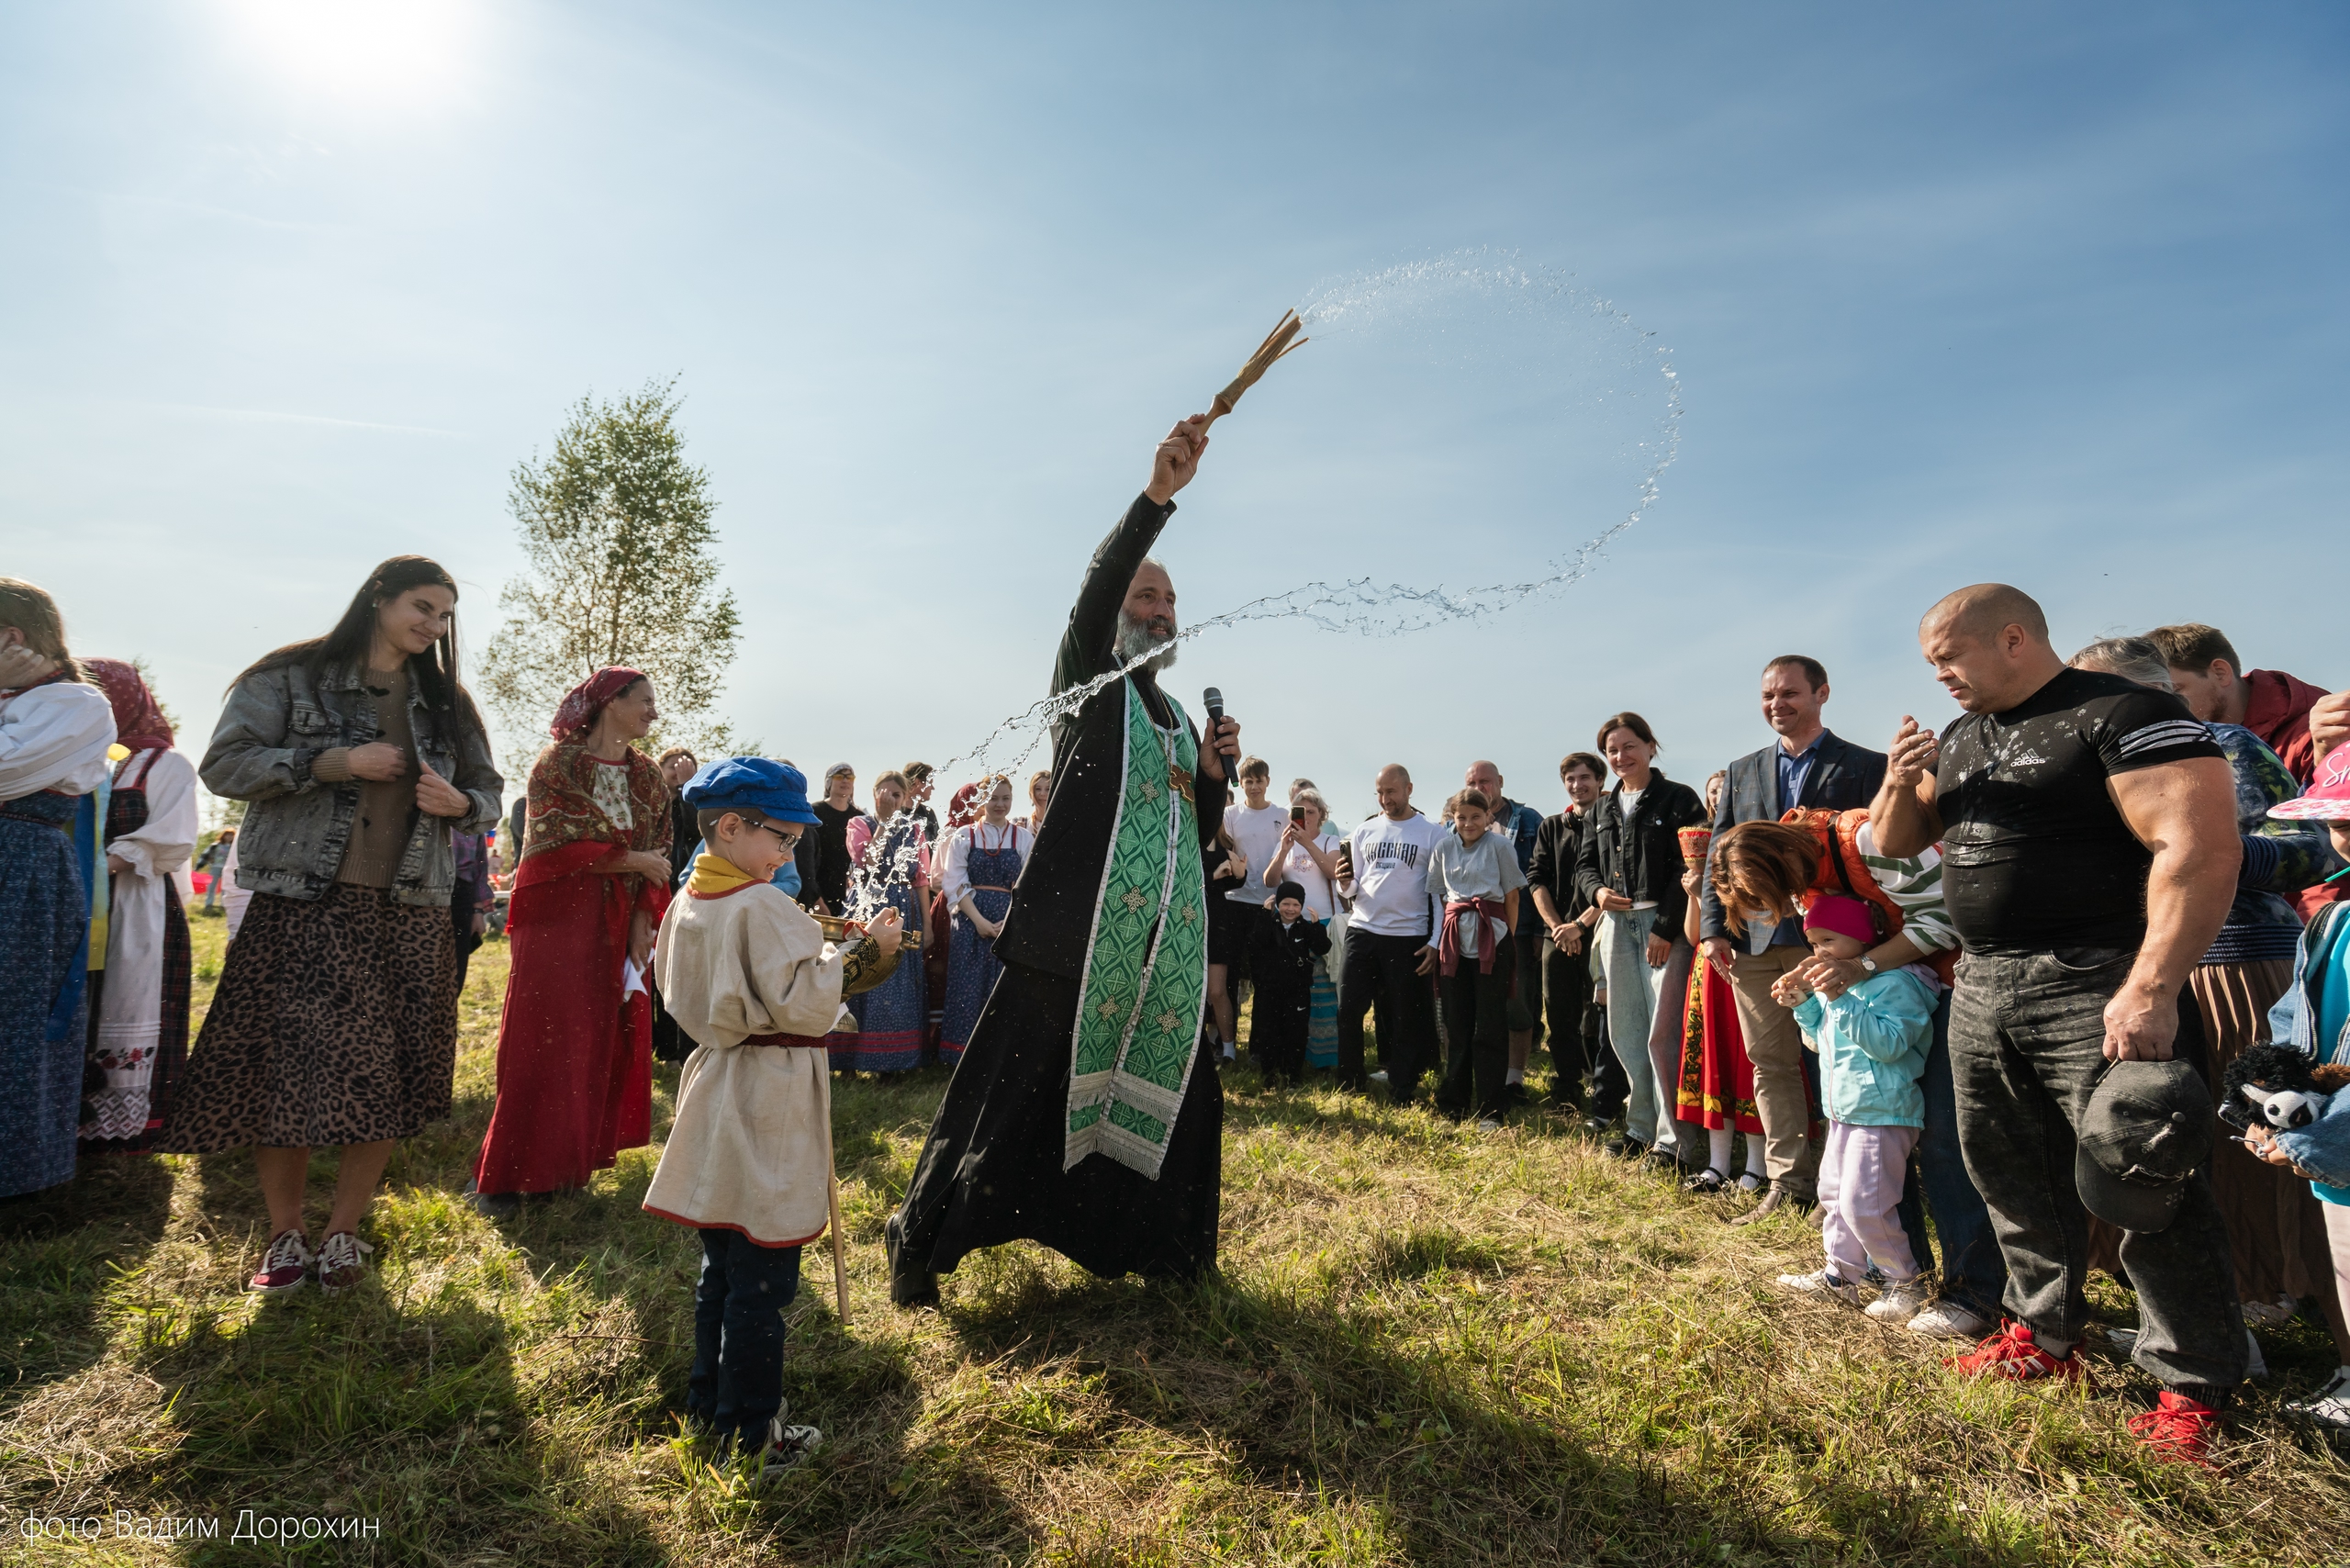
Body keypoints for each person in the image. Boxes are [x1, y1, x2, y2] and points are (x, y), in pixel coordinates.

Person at [1873, 583, 2245, 1465]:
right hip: (1985, 980)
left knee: (2144, 1175)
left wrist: (2153, 985)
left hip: (2098, 981)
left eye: (1949, 658)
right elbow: (1894, 841)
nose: (1941, 677)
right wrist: (1897, 778)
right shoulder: (1963, 737)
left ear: (2012, 639)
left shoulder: (2120, 710)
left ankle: (2192, 1383)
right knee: (2009, 1172)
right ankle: (2044, 1338)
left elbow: (2197, 846)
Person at [889, 412, 1239, 1304]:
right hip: (1065, 947)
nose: (1158, 611)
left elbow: (1189, 847)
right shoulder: (1089, 688)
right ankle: (919, 1244)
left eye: (1168, 604)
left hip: (1153, 957)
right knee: (1003, 1104)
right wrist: (1156, 499)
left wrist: (1213, 780)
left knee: (1185, 1102)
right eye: (1144, 598)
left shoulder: (1173, 719)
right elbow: (1094, 594)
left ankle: (1165, 1256)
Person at [166, 556, 502, 1293]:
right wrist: (334, 760)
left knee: (383, 1074)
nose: (433, 625)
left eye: (444, 615)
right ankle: (285, 1236)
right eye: (422, 607)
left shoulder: (447, 702)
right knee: (278, 1072)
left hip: (410, 909)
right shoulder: (290, 677)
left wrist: (462, 807)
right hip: (303, 903)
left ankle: (343, 1233)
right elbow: (223, 764)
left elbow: (488, 794)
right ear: (377, 597)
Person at [2071, 637, 2344, 1347]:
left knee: (2240, 1139)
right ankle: (2167, 1292)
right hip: (2129, 973)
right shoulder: (2087, 767)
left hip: (2233, 968)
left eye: (2090, 695)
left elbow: (2312, 845)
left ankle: (2270, 1291)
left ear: (2148, 692)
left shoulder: (2223, 744)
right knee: (2149, 1134)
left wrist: (2206, 854)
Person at [640, 758, 903, 1473]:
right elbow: (801, 998)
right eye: (781, 840)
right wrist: (863, 956)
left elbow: (693, 986)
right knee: (762, 1283)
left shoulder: (690, 898)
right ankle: (753, 1435)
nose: (787, 855)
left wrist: (823, 945)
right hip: (768, 1094)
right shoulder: (758, 905)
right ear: (731, 826)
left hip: (718, 1079)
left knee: (721, 1269)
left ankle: (707, 1408)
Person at [1706, 810, 2001, 1341]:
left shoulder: (1872, 840)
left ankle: (1971, 1293)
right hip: (1870, 1036)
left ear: (1782, 864)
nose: (1787, 915)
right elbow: (1831, 991)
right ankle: (1880, 1275)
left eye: (1776, 901)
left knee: (1943, 1145)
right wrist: (1816, 990)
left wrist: (1856, 972)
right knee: (1853, 1187)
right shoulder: (1807, 878)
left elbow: (1950, 918)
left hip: (1950, 985)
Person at [470, 667, 669, 1214]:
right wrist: (632, 859)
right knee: (542, 1041)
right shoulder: (559, 764)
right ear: (611, 702)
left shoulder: (648, 776)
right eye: (645, 700)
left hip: (616, 921)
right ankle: (508, 1177)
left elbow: (658, 856)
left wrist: (640, 925)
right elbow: (554, 846)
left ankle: (566, 1171)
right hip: (558, 920)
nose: (654, 711)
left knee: (596, 1041)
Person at [1699, 656, 1887, 1222]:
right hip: (1753, 940)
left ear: (1822, 693)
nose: (1777, 704)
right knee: (1770, 1062)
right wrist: (1713, 929)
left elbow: (1880, 855)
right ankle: (1788, 1184)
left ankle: (1846, 1186)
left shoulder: (1865, 765)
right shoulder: (1741, 771)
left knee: (1841, 1059)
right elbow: (1717, 852)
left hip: (1832, 942)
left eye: (1790, 693)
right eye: (1768, 695)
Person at [0, 581, 117, 1208]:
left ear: (11, 636)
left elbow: (7, 769)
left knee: (13, 1014)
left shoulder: (75, 703)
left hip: (17, 871)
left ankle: (17, 1181)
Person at [1770, 894, 1938, 1324]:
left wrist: (1837, 999)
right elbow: (1821, 1040)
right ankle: (1842, 1276)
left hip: (1883, 1113)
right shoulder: (1837, 989)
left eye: (1828, 939)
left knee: (1866, 1202)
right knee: (1833, 1196)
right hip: (1844, 1111)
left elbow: (1888, 1045)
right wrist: (1805, 1006)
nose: (1818, 952)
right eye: (1812, 943)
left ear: (1863, 938)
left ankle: (1904, 1282)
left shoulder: (1898, 984)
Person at [2245, 740, 2350, 1428]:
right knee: (2345, 1271)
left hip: (2338, 1142)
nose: (2345, 834)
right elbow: (2298, 1032)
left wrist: (2313, 1144)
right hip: (2333, 1148)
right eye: (2340, 820)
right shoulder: (2333, 921)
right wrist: (2265, 1104)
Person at [75, 660, 199, 1157]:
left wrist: (100, 866)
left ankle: (128, 1127)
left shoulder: (166, 765)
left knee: (125, 997)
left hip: (135, 902)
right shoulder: (81, 759)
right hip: (77, 900)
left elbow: (172, 837)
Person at [1574, 712, 1707, 1168]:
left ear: (1651, 747)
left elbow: (1686, 869)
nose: (1620, 756)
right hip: (1615, 925)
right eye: (1612, 750)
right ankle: (1640, 1128)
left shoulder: (1679, 799)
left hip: (1661, 928)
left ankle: (1674, 1142)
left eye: (1629, 746)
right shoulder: (1602, 808)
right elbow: (1585, 865)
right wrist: (1597, 892)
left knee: (1661, 1034)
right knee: (1626, 1033)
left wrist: (1666, 928)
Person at [1673, 769, 1768, 1194]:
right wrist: (1695, 892)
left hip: (1752, 961)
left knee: (1750, 1061)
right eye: (1714, 793)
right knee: (1714, 1060)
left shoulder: (1754, 849)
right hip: (1709, 967)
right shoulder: (1702, 852)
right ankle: (1716, 1164)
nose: (1720, 797)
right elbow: (1694, 935)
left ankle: (1757, 1167)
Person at [1335, 765, 1446, 1102]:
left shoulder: (1432, 834)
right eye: (1380, 793)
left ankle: (1403, 1084)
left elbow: (1439, 896)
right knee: (1349, 1009)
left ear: (1409, 789)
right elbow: (1354, 886)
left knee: (1404, 1015)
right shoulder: (1365, 831)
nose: (1385, 799)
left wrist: (1434, 941)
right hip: (1363, 928)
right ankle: (1350, 1080)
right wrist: (1343, 884)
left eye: (1391, 792)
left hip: (1408, 935)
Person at [1427, 788, 1528, 1128]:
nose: (1468, 823)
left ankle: (1490, 1107)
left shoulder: (1500, 846)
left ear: (1487, 817)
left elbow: (1512, 896)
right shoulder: (1443, 847)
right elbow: (1440, 897)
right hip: (1456, 938)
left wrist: (1505, 937)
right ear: (1453, 819)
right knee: (1457, 1023)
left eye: (1475, 816)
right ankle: (1453, 1101)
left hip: (1492, 936)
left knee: (1489, 1024)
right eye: (1462, 817)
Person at [1529, 752, 1618, 1118]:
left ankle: (1607, 1096)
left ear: (1600, 781)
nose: (1577, 785)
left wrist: (1580, 926)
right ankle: (1566, 1091)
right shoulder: (1552, 826)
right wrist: (1557, 928)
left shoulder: (1614, 823)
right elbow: (1537, 880)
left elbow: (1615, 884)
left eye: (1585, 778)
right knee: (1560, 1017)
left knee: (1602, 1019)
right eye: (1570, 779)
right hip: (1558, 935)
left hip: (1603, 931)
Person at [2148, 622, 2331, 785]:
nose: (2164, 708)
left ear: (2220, 672)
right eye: (2155, 698)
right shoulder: (2177, 743)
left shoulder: (2321, 736)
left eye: (2175, 691)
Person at [834, 770, 930, 1072]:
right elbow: (869, 862)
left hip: (903, 907)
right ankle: (847, 1058)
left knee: (896, 981)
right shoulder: (859, 824)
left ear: (904, 799)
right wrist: (885, 823)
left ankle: (894, 1061)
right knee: (860, 972)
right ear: (874, 794)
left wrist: (927, 925)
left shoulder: (914, 829)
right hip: (868, 906)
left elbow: (921, 879)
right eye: (884, 793)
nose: (889, 799)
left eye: (896, 795)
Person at [1463, 761, 1546, 1103]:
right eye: (1472, 781)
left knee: (1518, 1004)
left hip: (1519, 927)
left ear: (1500, 782)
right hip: (1470, 929)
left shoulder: (1527, 820)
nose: (1480, 786)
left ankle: (1514, 1079)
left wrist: (1541, 928)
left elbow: (1542, 874)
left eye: (1485, 781)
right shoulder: (1460, 823)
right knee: (1475, 1006)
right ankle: (1475, 1074)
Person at [939, 775, 1034, 1065]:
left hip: (1009, 922)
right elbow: (954, 881)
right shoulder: (964, 836)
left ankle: (997, 1056)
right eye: (994, 798)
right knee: (967, 984)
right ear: (982, 800)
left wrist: (1009, 921)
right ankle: (960, 1056)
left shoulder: (1024, 838)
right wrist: (979, 920)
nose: (1000, 804)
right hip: (971, 919)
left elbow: (1028, 884)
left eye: (1005, 798)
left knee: (1002, 987)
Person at [1261, 785, 1344, 1070]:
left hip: (1322, 925)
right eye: (1300, 812)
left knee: (1324, 993)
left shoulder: (1331, 840)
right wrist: (1284, 850)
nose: (1306, 817)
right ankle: (1300, 1055)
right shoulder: (1284, 843)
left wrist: (1308, 842)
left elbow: (1333, 872)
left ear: (1322, 814)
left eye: (1311, 812)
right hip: (1291, 927)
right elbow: (1270, 881)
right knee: (1297, 991)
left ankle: (1326, 1059)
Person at [1248, 880, 1330, 1085]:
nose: (1290, 909)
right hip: (1269, 989)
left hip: (1298, 990)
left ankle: (1293, 1073)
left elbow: (1322, 948)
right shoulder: (1269, 921)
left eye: (1295, 905)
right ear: (1277, 904)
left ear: (1301, 906)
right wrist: (1265, 915)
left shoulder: (1305, 928)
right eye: (1285, 904)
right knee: (1269, 1030)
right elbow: (1258, 940)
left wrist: (1317, 925)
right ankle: (1270, 1072)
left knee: (1296, 1032)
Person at [1203, 824, 1249, 1064]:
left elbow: (1231, 883)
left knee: (1217, 990)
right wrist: (1213, 876)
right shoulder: (1189, 838)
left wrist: (1241, 873)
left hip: (1218, 921)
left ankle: (1229, 1049)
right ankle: (1198, 1047)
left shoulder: (1226, 842)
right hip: (1189, 918)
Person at [448, 828, 494, 997]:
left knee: (454, 977)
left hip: (460, 895)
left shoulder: (474, 808)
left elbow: (479, 866)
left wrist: (477, 910)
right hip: (421, 890)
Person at [811, 765, 857, 913]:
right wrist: (814, 896)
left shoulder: (858, 817)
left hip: (846, 888)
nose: (845, 781)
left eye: (849, 777)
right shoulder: (815, 812)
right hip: (817, 884)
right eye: (839, 776)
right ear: (829, 782)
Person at [196, 825, 235, 913]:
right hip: (215, 867)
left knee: (226, 887)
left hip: (228, 869)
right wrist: (199, 866)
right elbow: (205, 855)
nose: (229, 837)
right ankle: (208, 904)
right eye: (227, 835)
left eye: (231, 835)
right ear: (223, 836)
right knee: (211, 887)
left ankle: (223, 905)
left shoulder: (234, 847)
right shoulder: (215, 845)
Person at [1020, 768, 1053, 833]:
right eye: (1038, 789)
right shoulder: (1021, 824)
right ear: (1031, 793)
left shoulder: (1063, 825)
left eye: (1048, 789)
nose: (1042, 794)